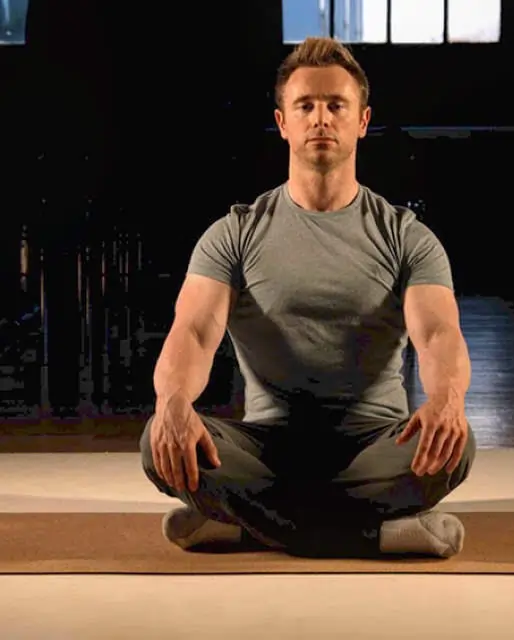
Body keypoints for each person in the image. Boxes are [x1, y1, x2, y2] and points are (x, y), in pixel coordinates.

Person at [139, 37, 476, 559]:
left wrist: (448, 401)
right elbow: (194, 331)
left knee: (455, 448)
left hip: (377, 446)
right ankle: (379, 532)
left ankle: (244, 525)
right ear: (283, 123)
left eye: (336, 105)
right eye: (306, 106)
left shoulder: (406, 236)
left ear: (362, 121)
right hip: (266, 448)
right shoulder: (234, 233)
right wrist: (173, 401)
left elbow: (437, 334)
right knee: (158, 441)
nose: (321, 118)